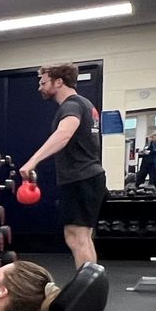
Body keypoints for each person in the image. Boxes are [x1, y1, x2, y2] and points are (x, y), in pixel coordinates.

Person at [18, 63, 105, 269]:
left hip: (81, 177)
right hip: (88, 177)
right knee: (82, 236)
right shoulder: (86, 104)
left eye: (43, 82)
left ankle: (86, 291)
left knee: (76, 237)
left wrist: (33, 161)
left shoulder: (71, 105)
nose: (40, 87)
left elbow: (64, 134)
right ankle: (90, 287)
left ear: (59, 82)